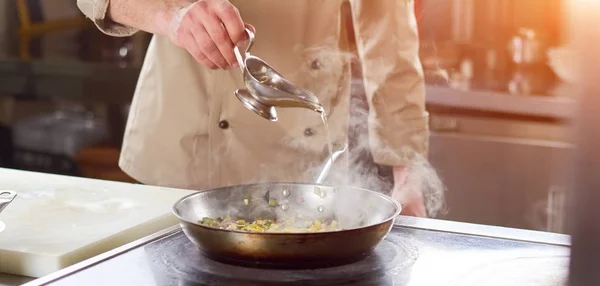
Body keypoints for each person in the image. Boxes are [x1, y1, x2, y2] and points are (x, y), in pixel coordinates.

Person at [76, 0, 431, 216]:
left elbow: (391, 41)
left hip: (303, 162)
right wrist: (171, 17)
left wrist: (407, 176)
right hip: (186, 150)